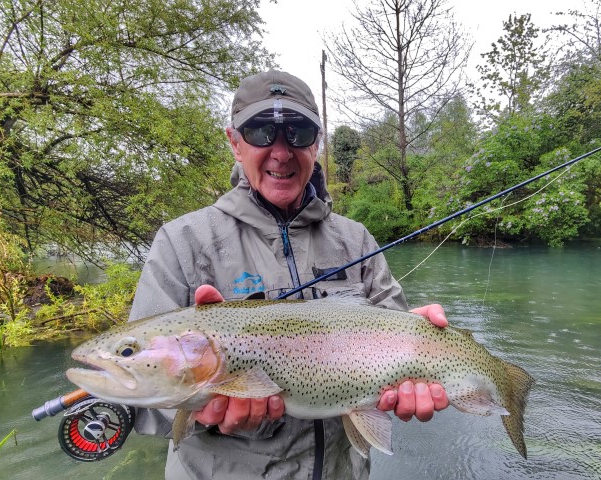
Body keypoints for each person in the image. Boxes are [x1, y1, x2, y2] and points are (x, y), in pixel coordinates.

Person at [129, 70, 450, 479]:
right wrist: (202, 412)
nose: (281, 152)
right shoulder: (182, 243)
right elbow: (141, 403)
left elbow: (398, 354)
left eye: (297, 133)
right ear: (234, 142)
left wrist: (419, 346)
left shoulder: (356, 241)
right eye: (262, 131)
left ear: (316, 144)